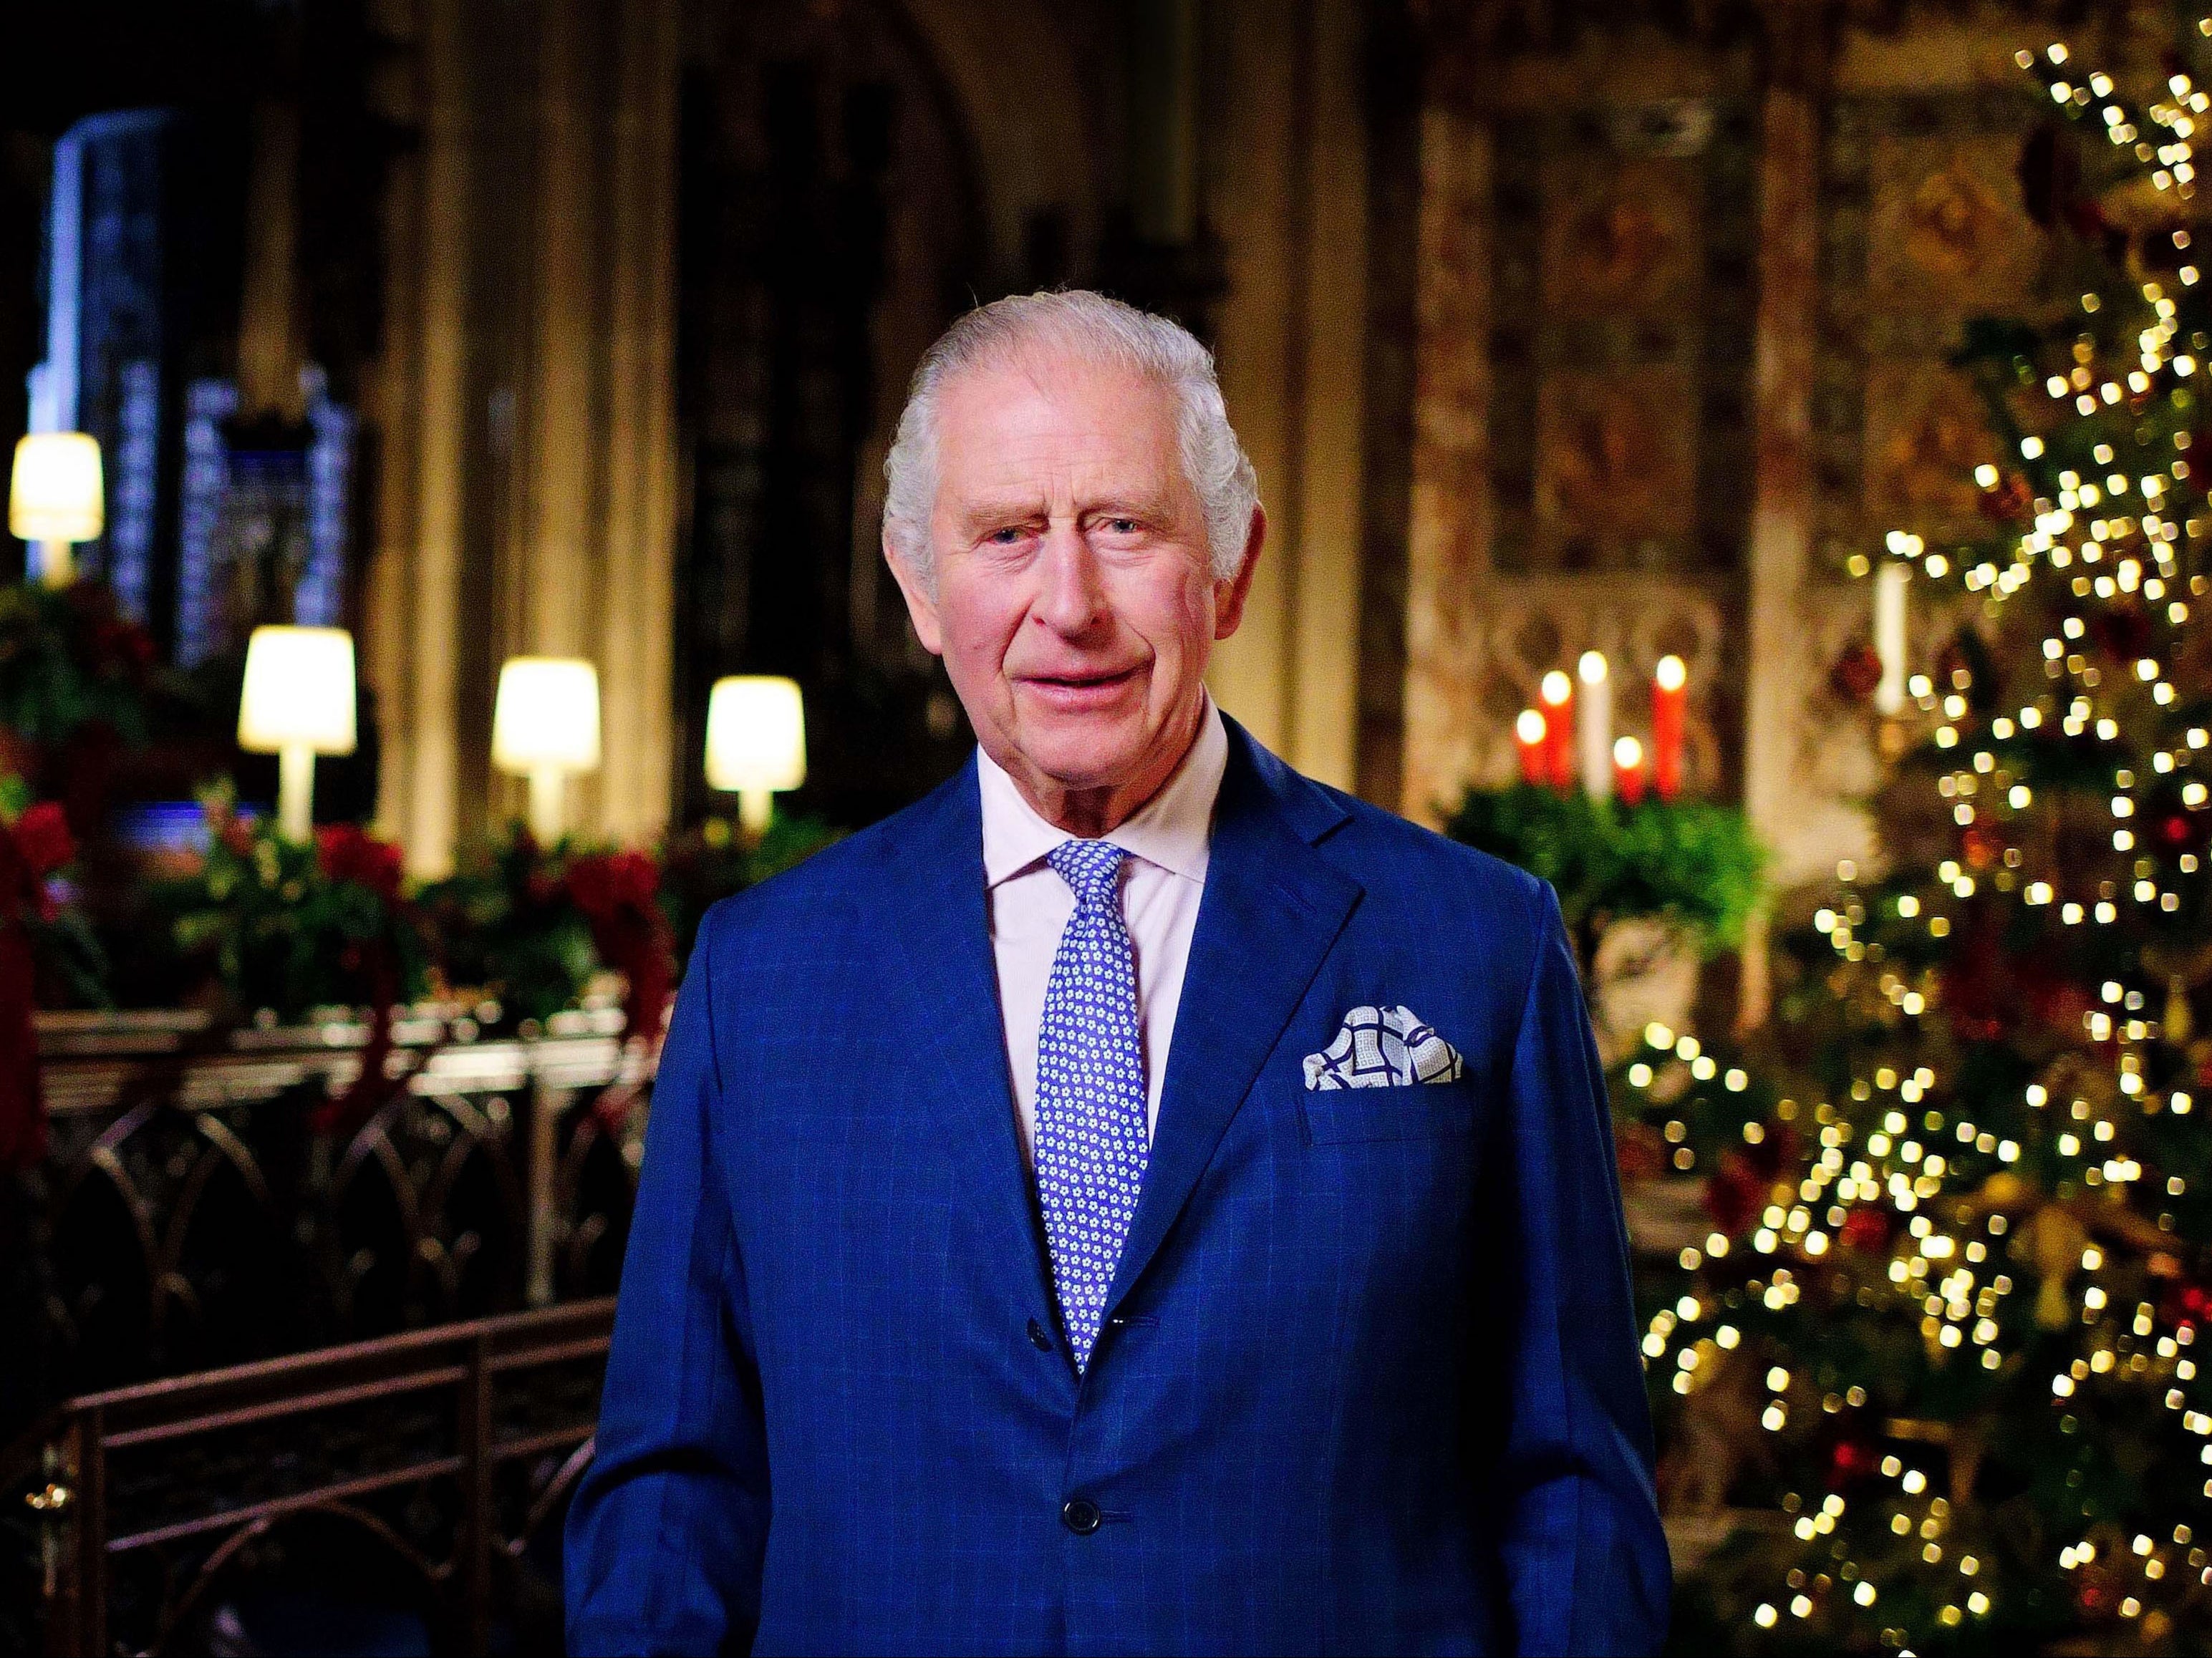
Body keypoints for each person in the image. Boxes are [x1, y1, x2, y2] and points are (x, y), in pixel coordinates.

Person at [564, 291, 1668, 1655]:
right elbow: (676, 1491)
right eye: (1006, 534)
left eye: (1125, 528)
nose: (1068, 605)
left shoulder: (1473, 944)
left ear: (1234, 567)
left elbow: (1569, 1489)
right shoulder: (763, 974)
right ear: (916, 583)